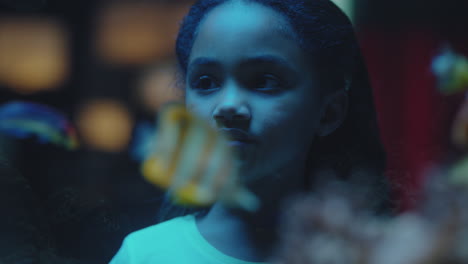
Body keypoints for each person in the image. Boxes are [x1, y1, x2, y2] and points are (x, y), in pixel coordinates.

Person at [110, 0, 393, 263]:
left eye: (264, 81)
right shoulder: (145, 255)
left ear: (329, 112)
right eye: (206, 82)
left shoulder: (374, 252)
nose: (228, 106)